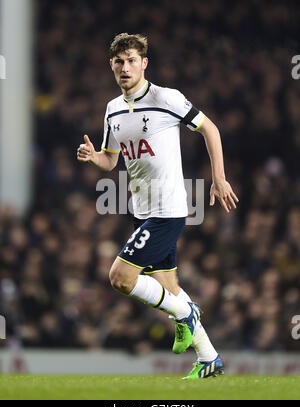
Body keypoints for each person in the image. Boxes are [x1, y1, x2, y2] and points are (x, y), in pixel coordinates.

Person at [77, 33, 239, 379]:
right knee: (168, 290)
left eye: (131, 60)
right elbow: (111, 161)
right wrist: (94, 158)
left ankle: (185, 312)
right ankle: (209, 357)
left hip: (168, 210)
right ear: (111, 65)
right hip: (141, 210)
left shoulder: (165, 98)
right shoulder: (113, 110)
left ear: (144, 63)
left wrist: (219, 178)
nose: (125, 67)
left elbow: (209, 129)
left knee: (120, 278)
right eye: (119, 62)